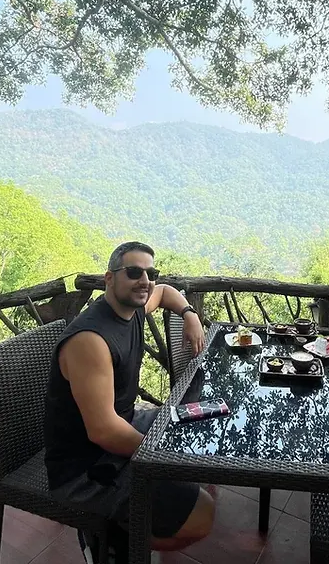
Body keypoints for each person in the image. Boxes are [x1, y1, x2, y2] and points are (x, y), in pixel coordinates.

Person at [44, 241, 215, 562]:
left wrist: (189, 314)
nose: (145, 280)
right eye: (134, 272)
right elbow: (103, 432)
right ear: (109, 279)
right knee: (201, 515)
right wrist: (162, 459)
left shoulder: (132, 308)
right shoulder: (90, 340)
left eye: (150, 272)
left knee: (196, 424)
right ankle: (109, 534)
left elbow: (164, 292)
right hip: (84, 466)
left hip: (124, 422)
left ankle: (125, 520)